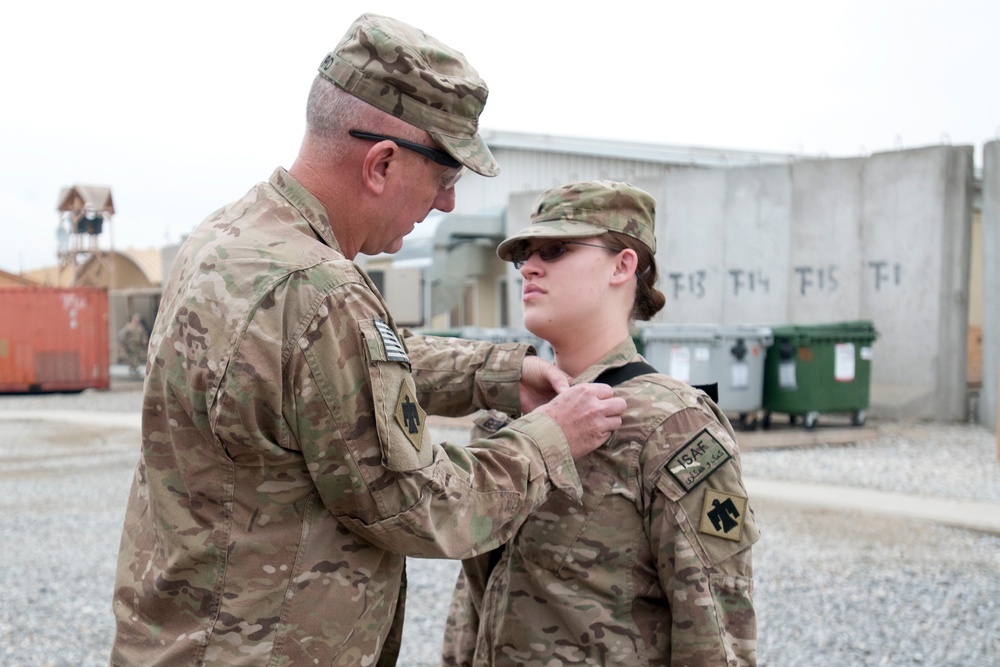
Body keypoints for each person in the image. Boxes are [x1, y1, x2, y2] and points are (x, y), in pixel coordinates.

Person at [109, 15, 626, 667]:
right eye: (443, 177)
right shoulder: (321, 289)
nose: (446, 204)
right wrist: (552, 437)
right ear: (381, 163)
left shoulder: (230, 239)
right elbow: (420, 505)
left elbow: (344, 366)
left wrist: (494, 371)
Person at [442, 181, 759, 666]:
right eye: (523, 255)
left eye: (555, 249)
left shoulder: (673, 425)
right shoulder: (503, 418)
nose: (529, 267)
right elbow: (476, 600)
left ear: (622, 264)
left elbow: (717, 625)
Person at [116, 313, 148, 377]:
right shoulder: (128, 327)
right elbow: (122, 335)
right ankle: (134, 367)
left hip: (137, 343)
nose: (137, 321)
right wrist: (122, 343)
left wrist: (144, 340)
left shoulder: (140, 327)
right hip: (130, 344)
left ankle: (134, 367)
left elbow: (143, 334)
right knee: (133, 355)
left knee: (137, 355)